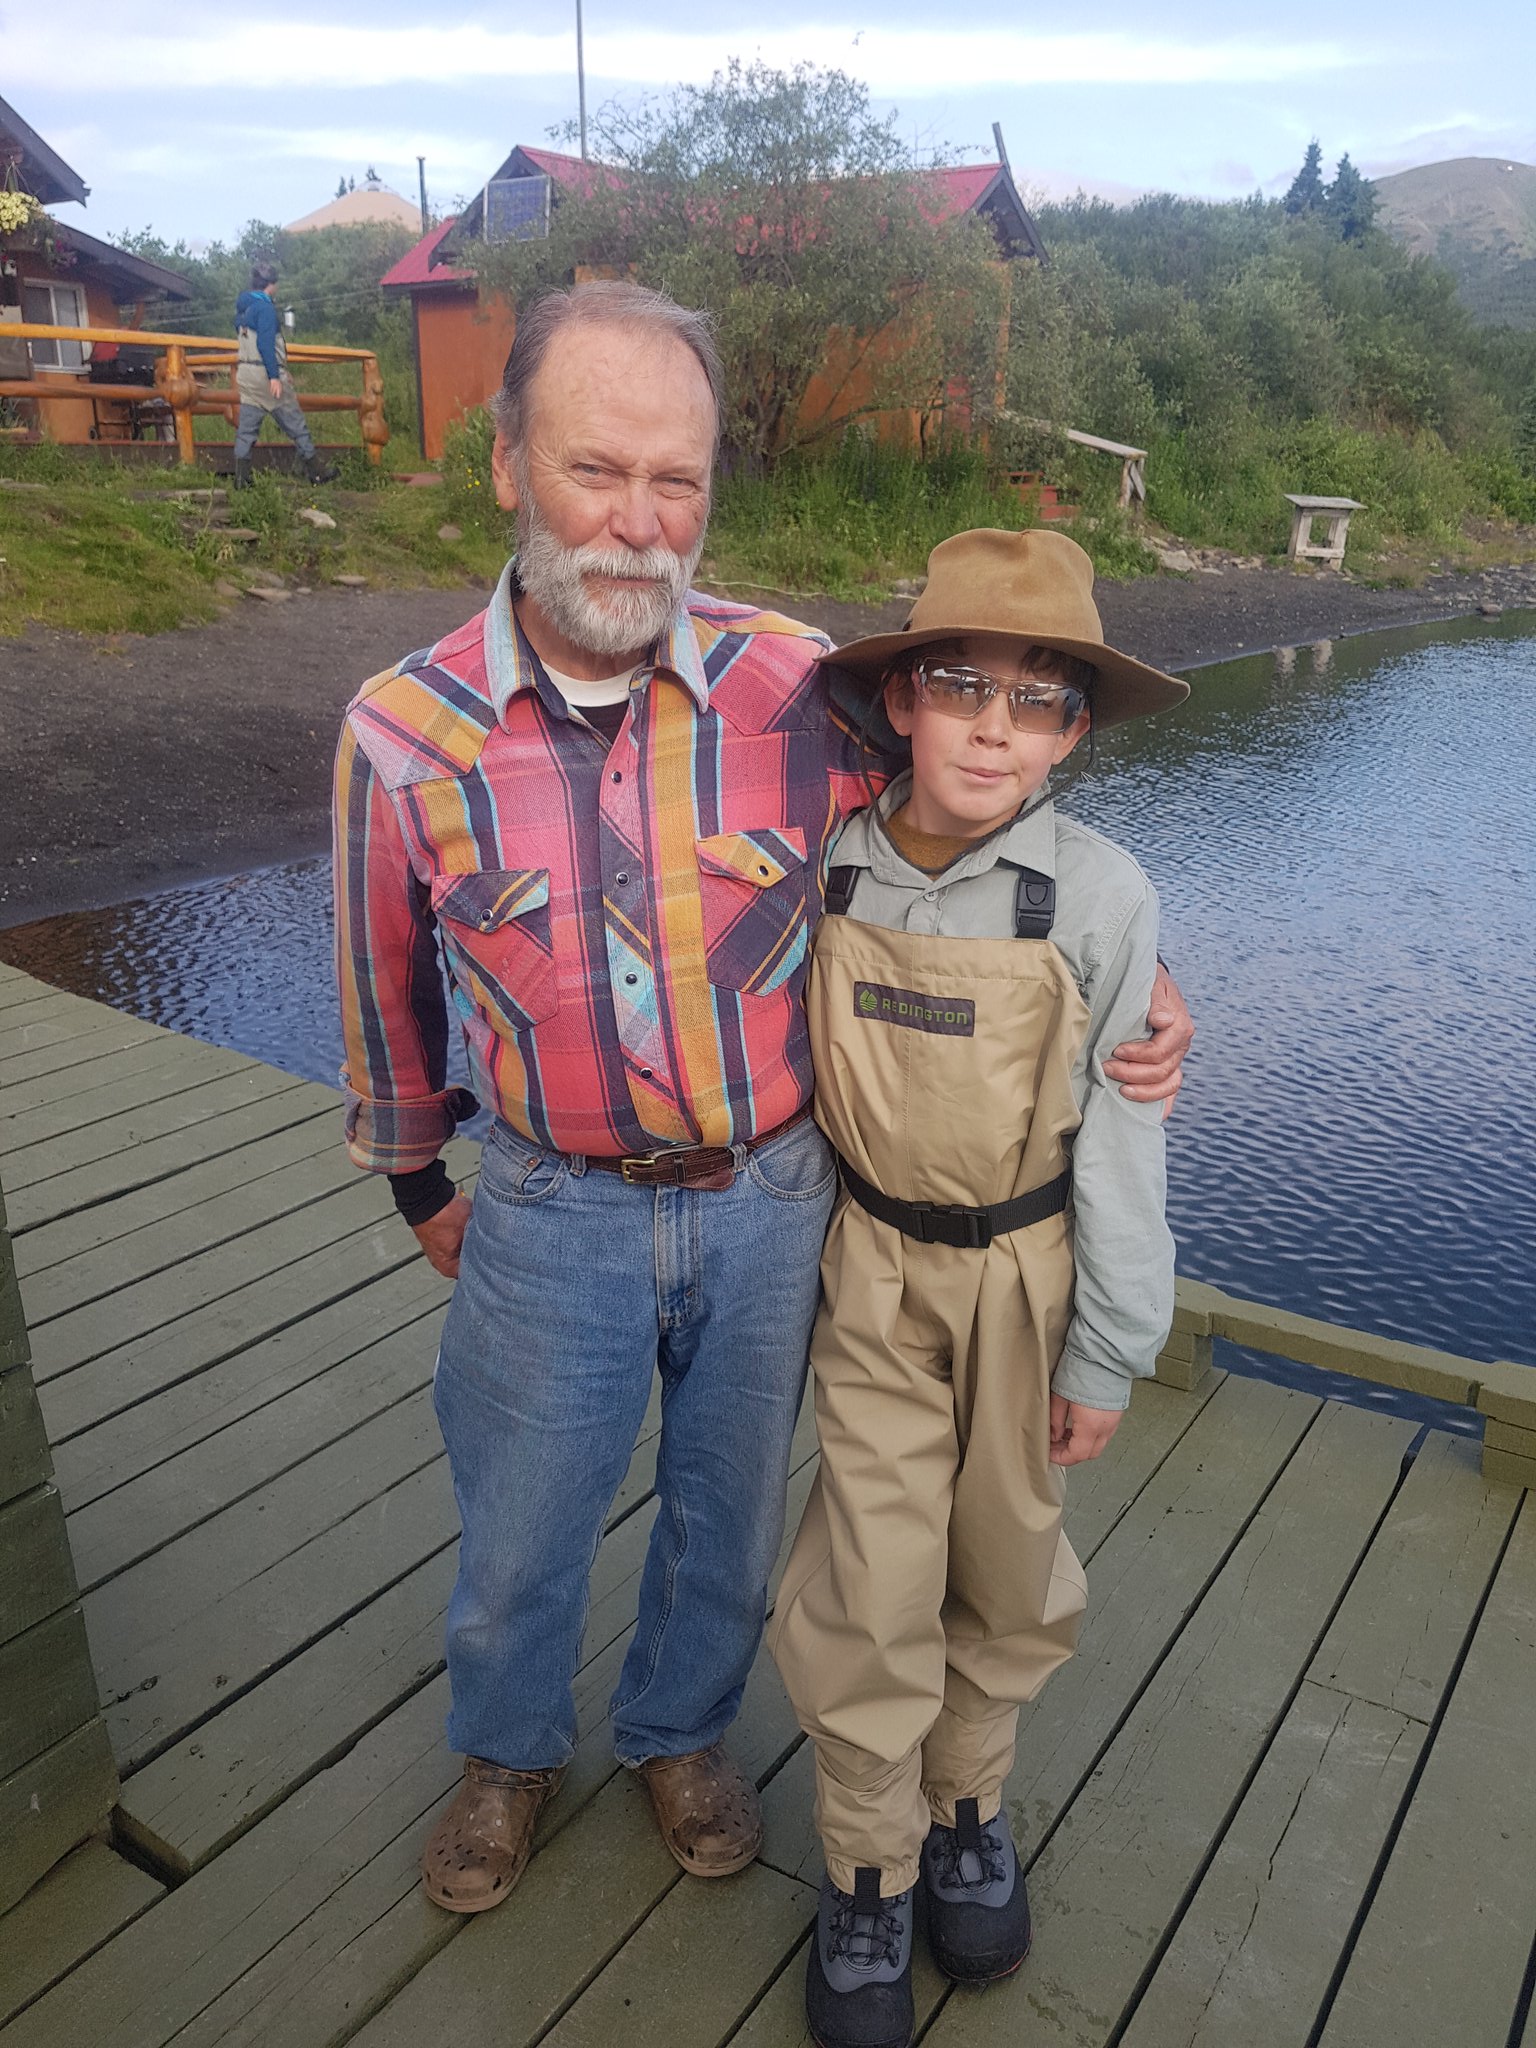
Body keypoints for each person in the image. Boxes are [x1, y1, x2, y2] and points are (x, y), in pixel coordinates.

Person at [331, 282, 1194, 1923]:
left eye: (679, 479)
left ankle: (675, 1732)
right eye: (598, 469)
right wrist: (421, 1185)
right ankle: (507, 1751)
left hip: (775, 1196)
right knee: (520, 1526)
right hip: (541, 1200)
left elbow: (974, 809)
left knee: (731, 1516)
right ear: (508, 461)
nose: (638, 521)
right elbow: (383, 991)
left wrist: (1138, 989)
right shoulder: (398, 731)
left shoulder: (800, 683)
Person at [766, 527, 1185, 2048]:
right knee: (870, 1579)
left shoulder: (1103, 896)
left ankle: (969, 1815)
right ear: (900, 701)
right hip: (871, 1273)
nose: (996, 726)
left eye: (1041, 698)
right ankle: (871, 1872)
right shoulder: (826, 862)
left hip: (1033, 1283)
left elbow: (1127, 1137)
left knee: (1006, 1573)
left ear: (1076, 727)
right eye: (960, 684)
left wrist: (1114, 1347)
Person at [232, 259, 336, 489]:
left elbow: (243, 333)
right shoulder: (265, 308)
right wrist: (274, 375)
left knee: (246, 430)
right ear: (271, 284)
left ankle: (241, 480)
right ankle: (315, 472)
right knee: (296, 424)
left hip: (246, 374)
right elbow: (266, 345)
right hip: (264, 374)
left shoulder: (243, 306)